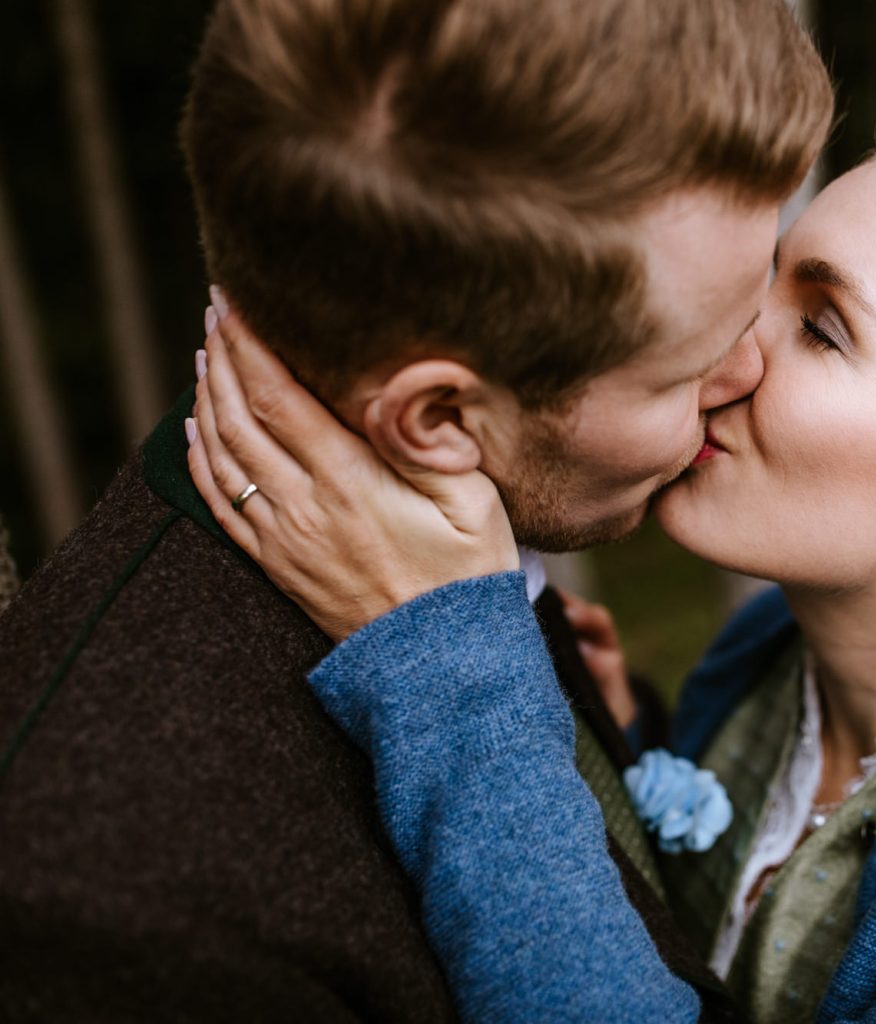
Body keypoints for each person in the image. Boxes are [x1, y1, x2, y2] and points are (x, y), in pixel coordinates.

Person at [187, 123, 876, 1023]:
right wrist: (623, 747)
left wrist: (452, 672)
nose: (722, 347)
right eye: (765, 276)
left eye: (821, 327)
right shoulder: (771, 654)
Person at [0, 0, 831, 1018]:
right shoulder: (118, 911)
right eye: (689, 365)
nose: (750, 369)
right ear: (439, 416)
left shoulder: (460, 536)